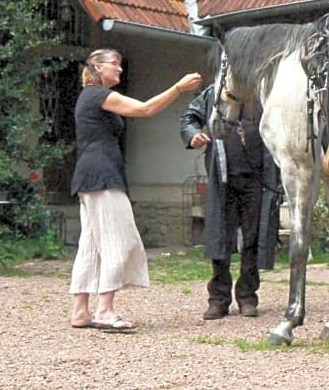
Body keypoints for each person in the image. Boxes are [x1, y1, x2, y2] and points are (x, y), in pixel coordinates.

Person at [69, 48, 202, 332]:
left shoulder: (90, 97)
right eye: (114, 64)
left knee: (91, 246)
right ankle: (104, 311)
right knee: (121, 240)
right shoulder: (97, 94)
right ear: (96, 68)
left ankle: (81, 312)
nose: (119, 69)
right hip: (102, 175)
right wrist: (178, 88)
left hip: (90, 175)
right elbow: (145, 109)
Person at [179, 84, 281, 320]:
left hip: (258, 178)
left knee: (253, 239)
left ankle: (247, 297)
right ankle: (218, 299)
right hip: (223, 177)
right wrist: (193, 134)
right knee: (220, 238)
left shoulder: (265, 91)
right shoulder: (215, 92)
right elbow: (189, 118)